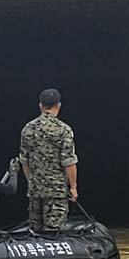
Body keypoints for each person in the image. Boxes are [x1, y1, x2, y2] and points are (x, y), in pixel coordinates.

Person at [19, 88, 78, 233]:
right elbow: (69, 162)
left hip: (35, 191)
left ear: (40, 105)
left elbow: (24, 161)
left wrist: (31, 181)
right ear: (59, 105)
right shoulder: (64, 130)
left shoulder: (28, 129)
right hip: (56, 191)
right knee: (54, 233)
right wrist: (73, 187)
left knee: (35, 232)